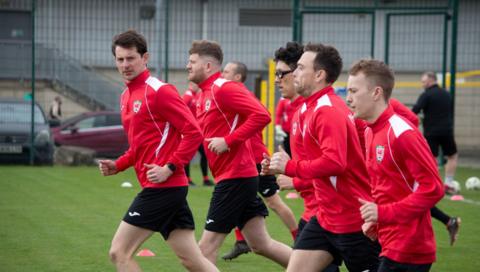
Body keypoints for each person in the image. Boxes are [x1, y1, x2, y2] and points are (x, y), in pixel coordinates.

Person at [98, 30, 218, 272]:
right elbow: (138, 147)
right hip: (161, 187)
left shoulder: (159, 91)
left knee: (119, 252)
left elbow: (194, 132)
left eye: (131, 58)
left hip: (164, 187)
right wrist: (118, 165)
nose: (125, 64)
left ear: (145, 58)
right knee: (192, 260)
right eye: (120, 59)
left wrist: (170, 167)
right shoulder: (125, 96)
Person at [265, 43, 379, 272]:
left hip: (351, 218)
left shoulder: (327, 110)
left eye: (300, 67)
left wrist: (291, 168)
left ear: (319, 75)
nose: (294, 73)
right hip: (325, 217)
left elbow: (335, 162)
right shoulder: (307, 110)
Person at [187, 40, 292, 267]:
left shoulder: (223, 88)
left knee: (204, 250)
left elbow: (262, 115)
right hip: (237, 177)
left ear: (207, 66)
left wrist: (228, 141)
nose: (187, 66)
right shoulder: (204, 95)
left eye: (192, 62)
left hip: (235, 178)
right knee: (261, 245)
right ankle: (317, 266)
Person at [346, 59, 444, 272]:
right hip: (388, 242)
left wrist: (384, 213)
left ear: (376, 92)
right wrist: (377, 222)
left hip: (409, 248)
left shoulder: (402, 134)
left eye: (353, 91)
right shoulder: (370, 130)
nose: (348, 98)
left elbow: (433, 188)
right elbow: (390, 186)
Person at [220, 61, 298, 260]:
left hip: (256, 159)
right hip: (242, 161)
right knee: (237, 197)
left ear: (238, 77)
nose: (222, 74)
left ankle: (298, 240)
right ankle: (241, 240)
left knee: (274, 202)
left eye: (226, 71)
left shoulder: (240, 96)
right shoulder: (226, 95)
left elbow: (262, 116)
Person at [272, 41, 339, 272]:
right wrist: (283, 168)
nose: (277, 80)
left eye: (282, 73)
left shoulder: (324, 109)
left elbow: (334, 164)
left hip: (337, 213)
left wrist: (292, 174)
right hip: (318, 213)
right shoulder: (302, 111)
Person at [391, 97, 461, 246]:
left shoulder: (390, 104)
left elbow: (413, 119)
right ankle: (449, 221)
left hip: (402, 157)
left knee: (414, 196)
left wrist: (396, 137)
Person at [412, 72, 459, 195]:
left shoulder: (426, 95)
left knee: (431, 158)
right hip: (447, 131)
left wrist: (420, 119)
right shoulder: (447, 94)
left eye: (423, 82)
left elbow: (414, 111)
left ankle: (432, 184)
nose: (422, 84)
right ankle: (448, 183)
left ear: (430, 80)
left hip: (431, 132)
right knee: (452, 156)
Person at [182, 82, 214, 187]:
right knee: (187, 156)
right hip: (191, 133)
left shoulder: (198, 95)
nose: (193, 85)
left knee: (205, 154)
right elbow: (181, 111)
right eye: (192, 83)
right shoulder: (188, 95)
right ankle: (187, 179)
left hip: (200, 133)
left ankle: (205, 179)